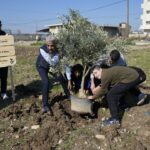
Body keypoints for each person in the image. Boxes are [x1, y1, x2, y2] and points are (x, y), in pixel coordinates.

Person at [36, 35, 61, 113]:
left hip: (49, 66)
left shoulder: (57, 50)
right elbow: (51, 61)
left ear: (55, 44)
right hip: (41, 66)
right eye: (48, 45)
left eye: (52, 45)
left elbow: (55, 60)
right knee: (46, 82)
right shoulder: (42, 49)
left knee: (62, 78)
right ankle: (45, 105)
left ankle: (69, 96)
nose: (49, 47)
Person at [0, 20, 9, 100]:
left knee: (3, 77)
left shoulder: (3, 34)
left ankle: (3, 93)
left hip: (4, 60)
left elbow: (8, 46)